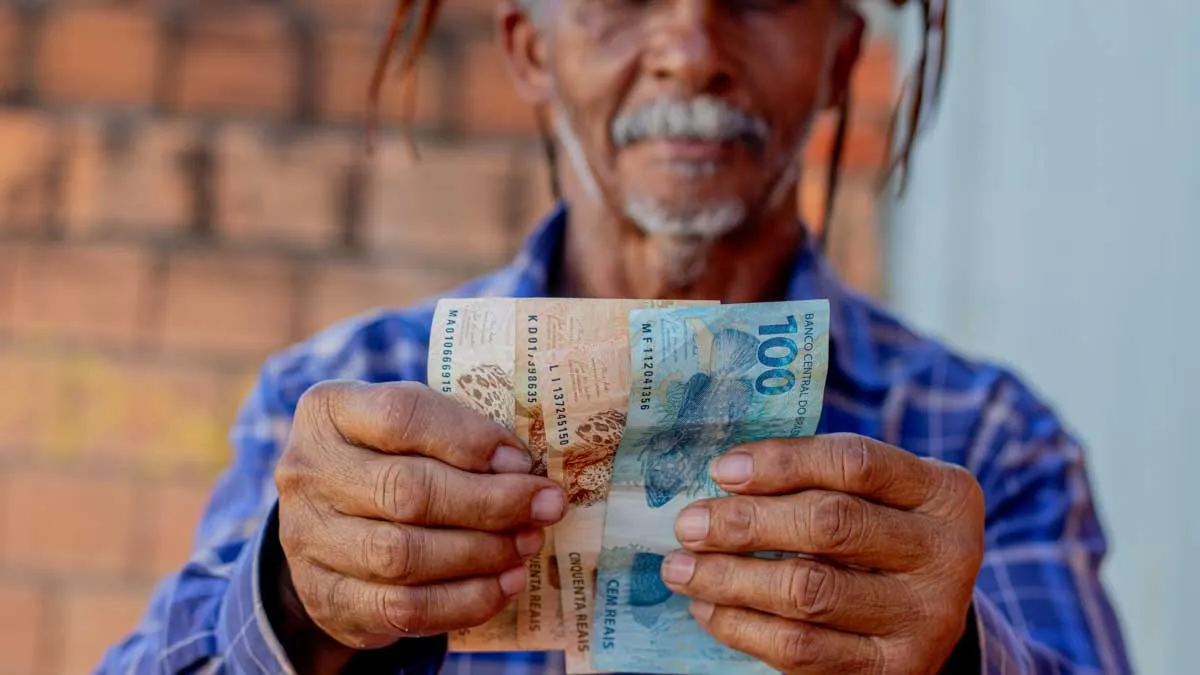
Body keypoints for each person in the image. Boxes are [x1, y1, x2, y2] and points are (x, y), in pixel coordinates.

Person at [99, 0, 1132, 672]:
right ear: (529, 50)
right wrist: (288, 596)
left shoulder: (987, 439)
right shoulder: (336, 400)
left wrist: (962, 659)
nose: (690, 50)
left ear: (839, 57)